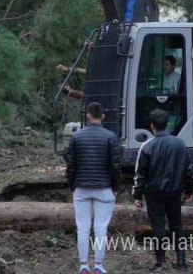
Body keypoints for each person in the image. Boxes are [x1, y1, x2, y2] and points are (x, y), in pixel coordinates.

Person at [132, 109, 193, 272]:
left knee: (158, 227)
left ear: (152, 125)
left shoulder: (146, 146)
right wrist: (189, 190)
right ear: (167, 124)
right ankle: (181, 262)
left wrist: (137, 196)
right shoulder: (180, 143)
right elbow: (188, 170)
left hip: (154, 194)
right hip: (175, 192)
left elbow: (140, 174)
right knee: (177, 226)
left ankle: (160, 262)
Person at [66, 102, 122, 274]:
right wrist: (115, 186)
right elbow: (115, 165)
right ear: (103, 116)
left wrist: (72, 186)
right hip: (104, 188)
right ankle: (98, 265)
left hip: (82, 188)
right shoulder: (111, 137)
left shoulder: (76, 137)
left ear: (87, 116)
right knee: (100, 229)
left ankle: (83, 266)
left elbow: (71, 165)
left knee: (82, 228)